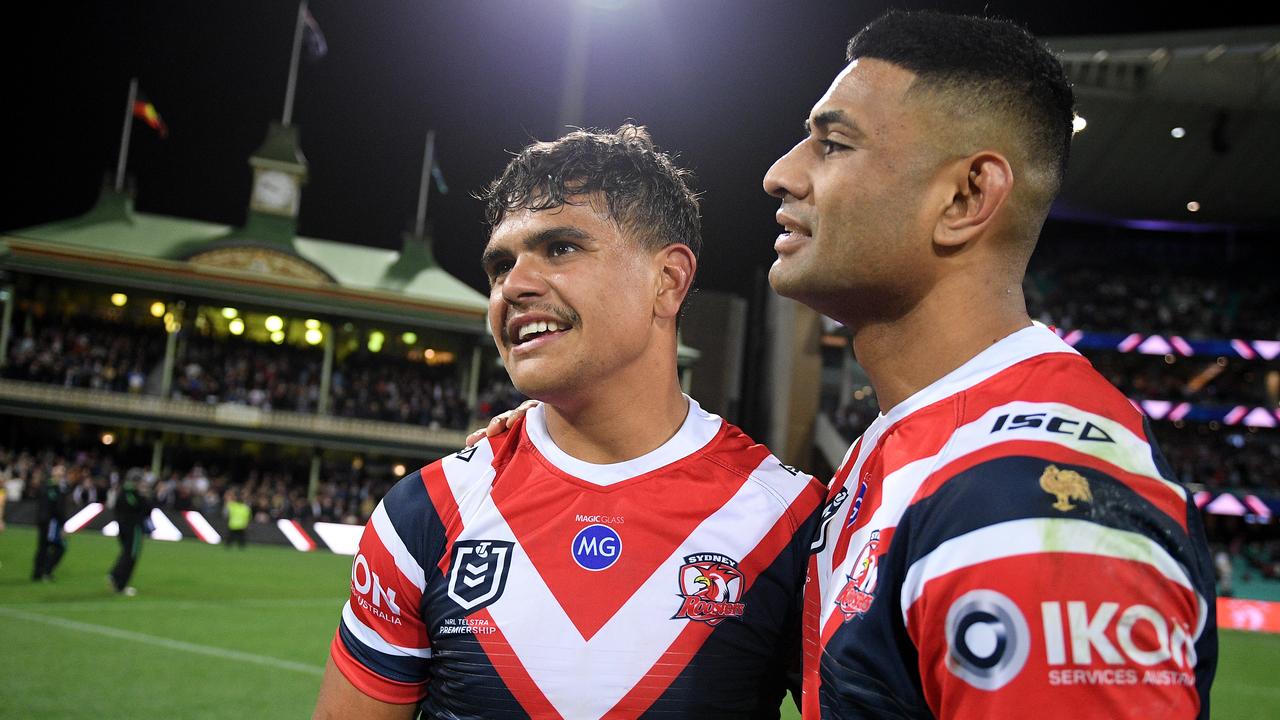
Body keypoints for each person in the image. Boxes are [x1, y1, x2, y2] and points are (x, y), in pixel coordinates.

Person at [761, 10, 1217, 719]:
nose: (780, 174)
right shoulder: (905, 443)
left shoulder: (1031, 494)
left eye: (833, 143)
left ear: (967, 197)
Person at [313, 125, 826, 719]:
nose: (515, 286)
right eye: (501, 264)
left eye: (561, 249)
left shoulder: (787, 520)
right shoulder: (426, 511)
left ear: (669, 281)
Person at [108, 468, 152, 596]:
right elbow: (144, 510)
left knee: (126, 553)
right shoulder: (133, 494)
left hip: (122, 527)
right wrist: (144, 496)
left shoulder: (121, 492)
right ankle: (120, 584)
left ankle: (115, 575)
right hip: (134, 528)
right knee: (131, 555)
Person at [31, 462, 69, 582]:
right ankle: (45, 572)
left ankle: (38, 573)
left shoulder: (49, 487)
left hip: (45, 521)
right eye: (59, 472)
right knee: (59, 547)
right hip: (50, 522)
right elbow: (57, 508)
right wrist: (63, 525)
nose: (61, 475)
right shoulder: (52, 488)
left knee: (44, 547)